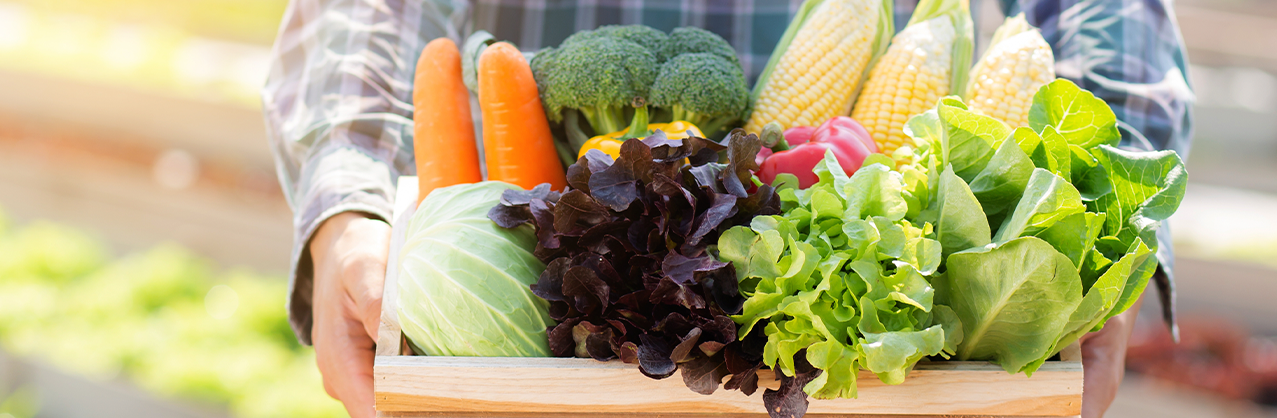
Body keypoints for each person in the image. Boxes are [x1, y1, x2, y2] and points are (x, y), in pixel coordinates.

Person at [262, 1, 1193, 417]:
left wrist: (1101, 231)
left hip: (883, 393)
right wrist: (348, 201)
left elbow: (1109, 15)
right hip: (536, 332)